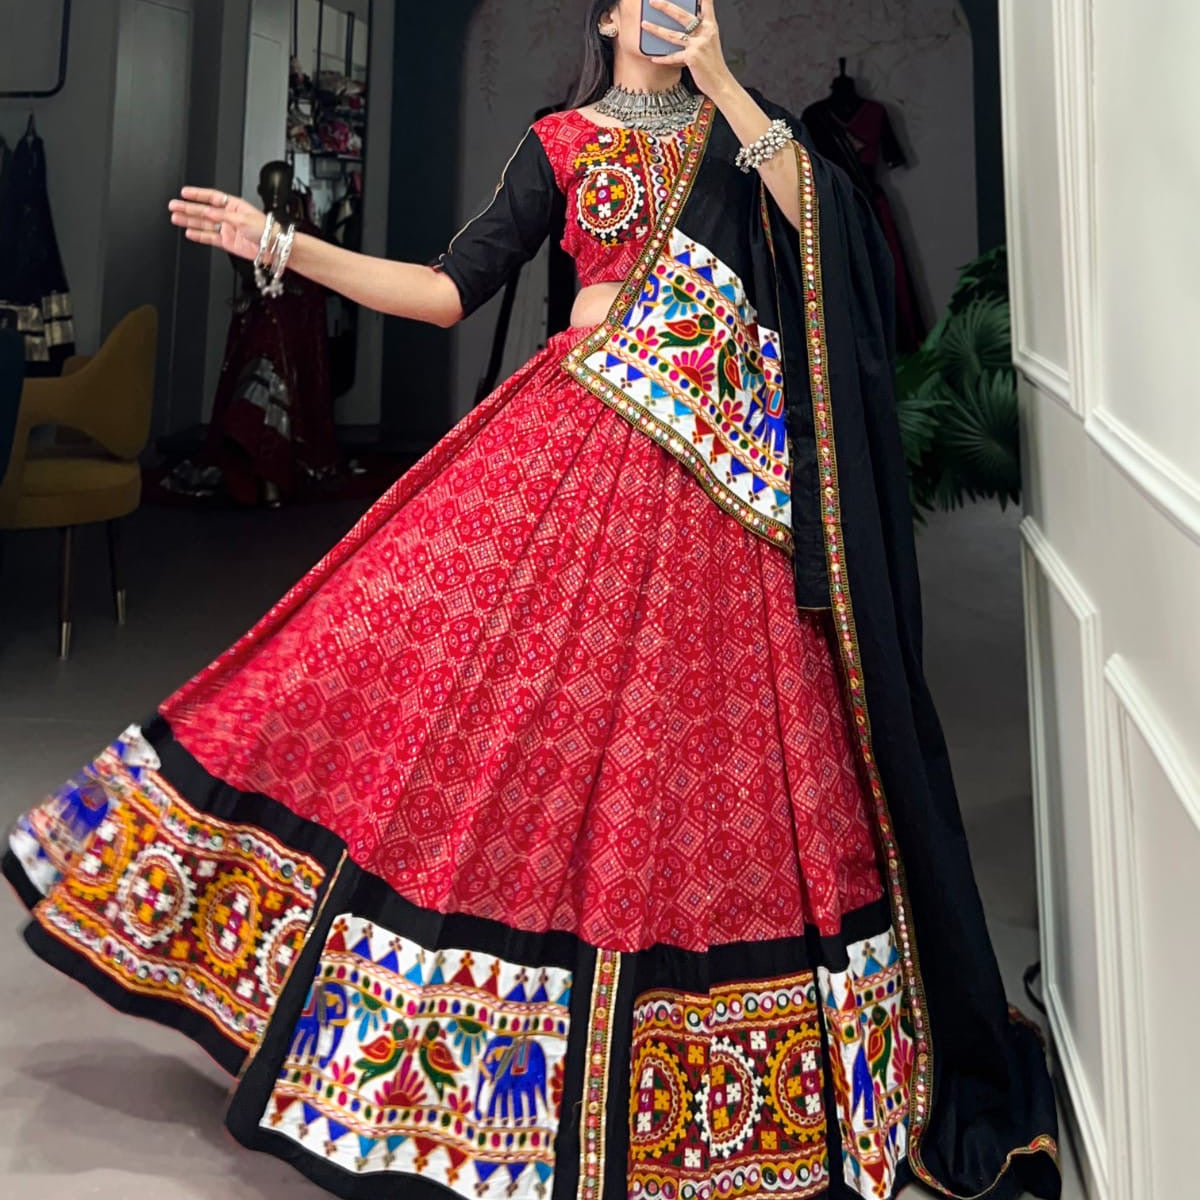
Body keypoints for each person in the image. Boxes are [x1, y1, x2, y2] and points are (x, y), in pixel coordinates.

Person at [3, 3, 1060, 1199]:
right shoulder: (559, 142)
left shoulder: (745, 132)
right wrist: (281, 244)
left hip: (723, 490)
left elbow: (829, 238)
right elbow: (445, 291)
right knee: (447, 685)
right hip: (574, 451)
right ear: (607, 13)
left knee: (707, 764)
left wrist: (727, 87)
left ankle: (720, 1080)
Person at [163, 160, 340, 506]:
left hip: (292, 326)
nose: (274, 191)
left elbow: (318, 283)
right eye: (269, 185)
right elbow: (250, 275)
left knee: (283, 386)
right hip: (260, 324)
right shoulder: (246, 230)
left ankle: (274, 473)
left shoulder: (305, 234)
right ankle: (257, 471)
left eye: (280, 185)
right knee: (258, 384)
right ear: (260, 189)